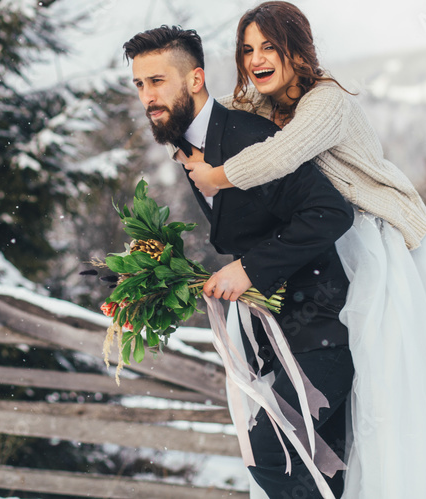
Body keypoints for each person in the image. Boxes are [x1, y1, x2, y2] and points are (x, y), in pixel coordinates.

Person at [182, 1, 426, 498]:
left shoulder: (326, 99)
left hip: (381, 240)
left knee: (391, 374)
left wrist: (216, 174)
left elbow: (282, 154)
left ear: (298, 50)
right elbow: (210, 118)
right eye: (247, 49)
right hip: (332, 248)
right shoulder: (260, 105)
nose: (256, 59)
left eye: (270, 46)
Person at [123, 25, 356, 497]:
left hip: (321, 332)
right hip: (275, 335)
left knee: (272, 452)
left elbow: (331, 213)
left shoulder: (248, 136)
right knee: (325, 470)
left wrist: (248, 270)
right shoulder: (187, 145)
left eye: (158, 81)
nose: (148, 95)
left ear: (195, 80)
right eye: (140, 85)